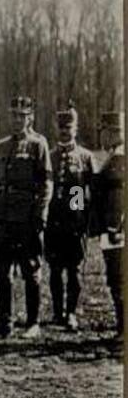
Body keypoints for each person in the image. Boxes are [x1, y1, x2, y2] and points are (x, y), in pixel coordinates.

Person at [0, 96, 53, 339]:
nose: (17, 120)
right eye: (13, 115)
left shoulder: (38, 144)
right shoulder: (0, 147)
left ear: (30, 117)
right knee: (2, 271)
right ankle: (6, 321)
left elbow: (46, 183)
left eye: (22, 116)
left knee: (30, 269)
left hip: (26, 217)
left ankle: (33, 322)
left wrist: (40, 214)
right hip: (2, 217)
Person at [45, 106, 96, 330]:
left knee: (74, 270)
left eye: (69, 127)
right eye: (61, 127)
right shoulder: (50, 156)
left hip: (75, 221)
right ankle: (57, 311)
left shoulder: (85, 157)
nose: (65, 131)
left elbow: (91, 192)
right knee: (55, 269)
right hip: (54, 220)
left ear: (76, 129)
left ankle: (71, 311)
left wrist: (84, 221)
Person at [89, 111, 125, 337]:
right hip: (111, 229)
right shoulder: (112, 159)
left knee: (118, 278)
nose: (100, 137)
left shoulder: (119, 161)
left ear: (113, 133)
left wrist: (116, 227)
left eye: (103, 132)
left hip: (116, 231)